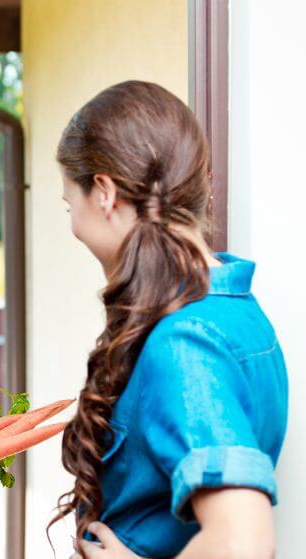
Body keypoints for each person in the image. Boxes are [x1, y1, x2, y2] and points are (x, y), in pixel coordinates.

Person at [49, 81, 287, 558]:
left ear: (105, 193)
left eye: (68, 204)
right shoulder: (237, 311)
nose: (73, 223)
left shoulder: (184, 342)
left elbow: (244, 543)